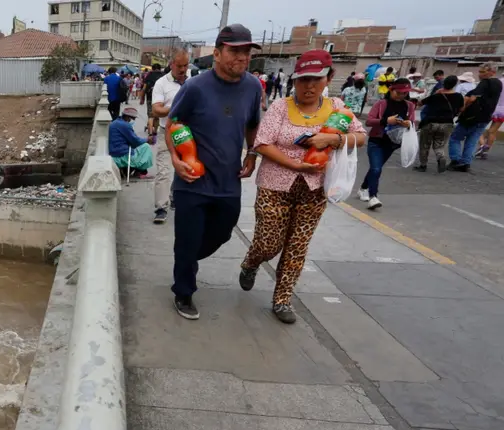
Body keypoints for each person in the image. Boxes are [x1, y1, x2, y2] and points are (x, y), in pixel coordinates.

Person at [240, 50, 367, 324]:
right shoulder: (280, 107)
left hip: (315, 189)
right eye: (303, 80)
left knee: (297, 246)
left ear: (328, 78)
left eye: (316, 79)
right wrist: (295, 165)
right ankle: (251, 262)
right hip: (275, 185)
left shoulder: (336, 107)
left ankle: (283, 299)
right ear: (295, 81)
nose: (309, 86)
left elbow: (360, 136)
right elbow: (262, 143)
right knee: (268, 243)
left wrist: (332, 141)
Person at [167, 24, 262, 320]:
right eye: (235, 51)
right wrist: (174, 159)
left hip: (228, 182)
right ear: (218, 53)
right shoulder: (195, 87)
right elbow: (173, 124)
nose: (242, 57)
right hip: (191, 180)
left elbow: (252, 124)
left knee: (221, 233)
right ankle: (184, 292)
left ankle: (186, 256)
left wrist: (253, 152)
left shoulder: (253, 87)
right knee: (188, 238)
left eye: (246, 52)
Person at [358, 78, 415, 210]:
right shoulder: (381, 104)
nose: (401, 95)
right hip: (376, 140)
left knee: (375, 168)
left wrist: (408, 124)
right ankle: (373, 197)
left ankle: (363, 188)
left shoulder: (409, 106)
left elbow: (411, 121)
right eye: (399, 92)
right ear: (391, 90)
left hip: (393, 142)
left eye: (404, 93)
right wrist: (385, 120)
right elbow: (369, 121)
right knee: (376, 168)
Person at [150, 50, 191, 223]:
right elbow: (156, 110)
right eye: (179, 66)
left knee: (185, 168)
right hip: (166, 132)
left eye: (185, 65)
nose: (183, 69)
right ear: (171, 64)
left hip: (188, 134)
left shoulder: (193, 82)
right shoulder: (162, 83)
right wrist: (175, 108)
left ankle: (175, 195)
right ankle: (161, 207)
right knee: (164, 170)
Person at [449, 63, 503, 172]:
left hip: (472, 116)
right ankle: (465, 163)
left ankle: (455, 160)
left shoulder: (485, 82)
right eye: (480, 71)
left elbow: (472, 98)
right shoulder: (498, 83)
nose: (480, 74)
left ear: (492, 72)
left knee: (455, 138)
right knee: (472, 140)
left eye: (483, 72)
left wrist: (462, 109)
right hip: (486, 116)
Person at [415, 75, 463, 173]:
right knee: (439, 145)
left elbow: (420, 103)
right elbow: (461, 109)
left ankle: (423, 165)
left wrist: (436, 93)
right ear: (455, 85)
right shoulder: (459, 96)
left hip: (430, 123)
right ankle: (441, 157)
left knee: (424, 145)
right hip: (447, 124)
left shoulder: (436, 96)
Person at [108, 107, 154, 177]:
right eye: (131, 118)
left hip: (114, 152)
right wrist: (147, 140)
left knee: (139, 148)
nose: (131, 120)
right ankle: (141, 171)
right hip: (122, 155)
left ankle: (135, 170)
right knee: (146, 147)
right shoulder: (125, 125)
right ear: (127, 117)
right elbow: (135, 141)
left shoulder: (114, 123)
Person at [476, 75, 504, 159]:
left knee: (478, 128)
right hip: (503, 111)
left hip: (491, 107)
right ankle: (485, 151)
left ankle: (482, 146)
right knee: (492, 131)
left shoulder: (497, 82)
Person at [143, 63, 165, 134]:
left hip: (150, 97)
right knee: (157, 115)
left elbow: (144, 88)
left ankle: (150, 131)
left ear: (152, 68)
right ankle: (155, 131)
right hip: (160, 99)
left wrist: (142, 98)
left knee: (150, 115)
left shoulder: (149, 75)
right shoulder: (163, 75)